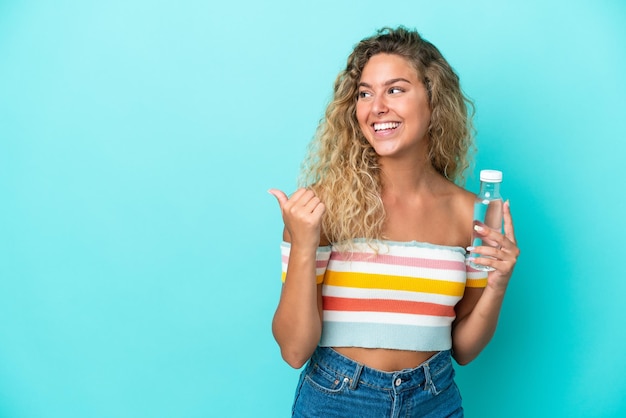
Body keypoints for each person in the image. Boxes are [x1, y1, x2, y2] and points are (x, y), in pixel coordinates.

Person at [268, 26, 520, 417]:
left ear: (434, 100)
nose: (377, 106)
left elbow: (464, 349)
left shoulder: (469, 212)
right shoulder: (321, 206)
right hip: (338, 399)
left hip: (434, 399)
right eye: (365, 93)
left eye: (395, 89)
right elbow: (294, 350)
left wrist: (498, 285)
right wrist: (304, 245)